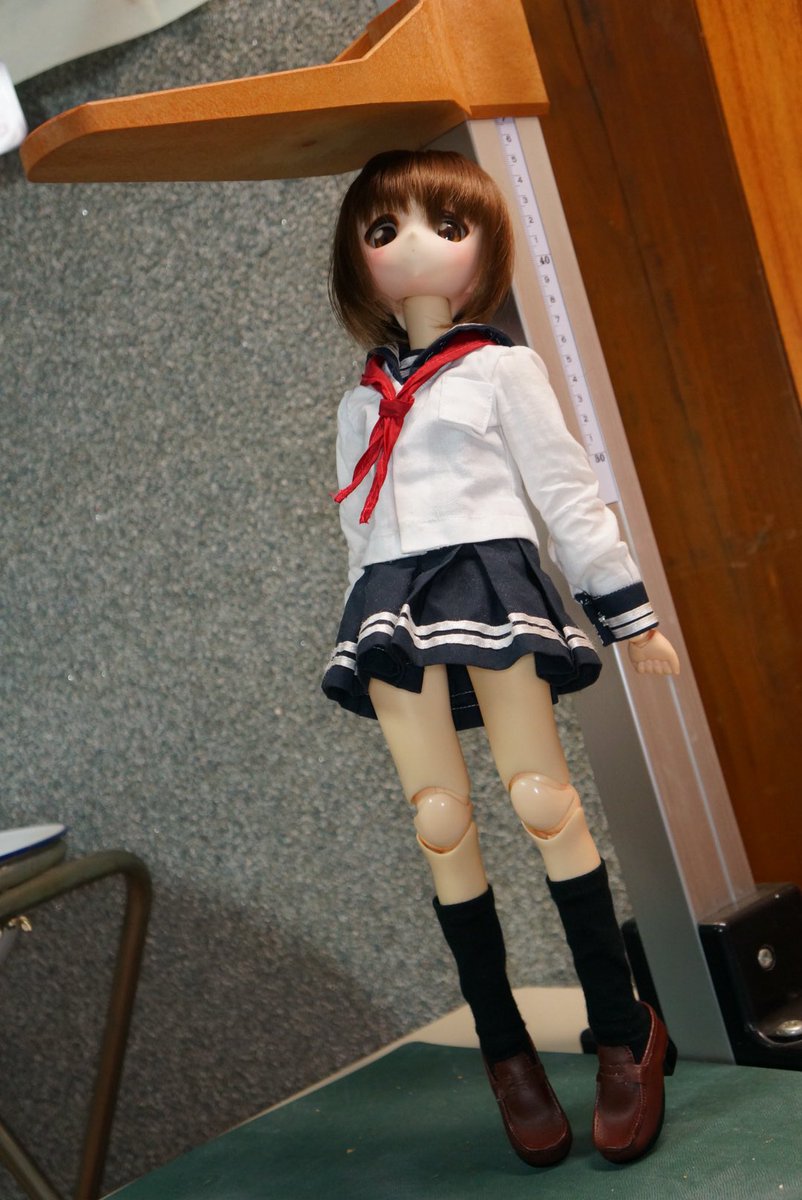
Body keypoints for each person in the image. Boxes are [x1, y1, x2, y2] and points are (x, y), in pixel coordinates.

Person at [322, 148, 678, 1167]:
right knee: (439, 822)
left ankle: (622, 1026)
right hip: (391, 601)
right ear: (356, 257)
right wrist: (358, 621)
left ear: (485, 247)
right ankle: (504, 1049)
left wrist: (627, 614)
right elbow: (357, 528)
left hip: (489, 584)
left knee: (540, 798)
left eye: (446, 225)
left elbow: (566, 494)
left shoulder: (501, 370)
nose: (414, 248)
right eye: (384, 230)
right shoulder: (359, 402)